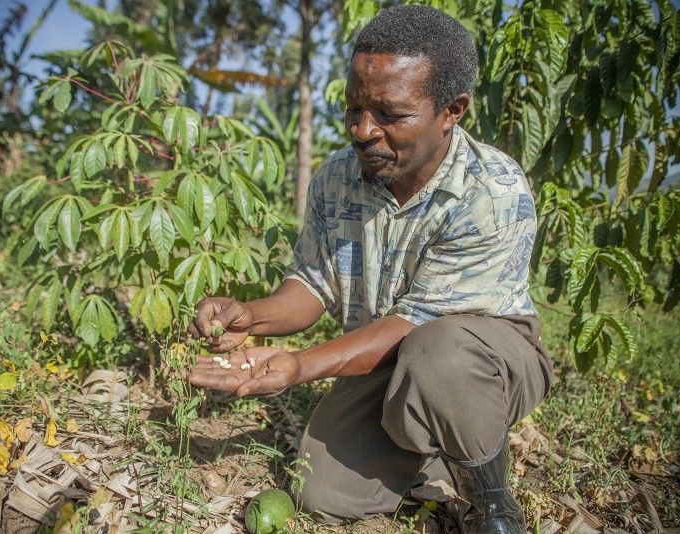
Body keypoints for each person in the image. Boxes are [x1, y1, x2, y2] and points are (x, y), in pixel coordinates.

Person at [187, 5, 553, 533]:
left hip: (483, 358)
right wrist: (252, 315)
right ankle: (436, 440)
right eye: (355, 107)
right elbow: (311, 285)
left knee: (440, 354)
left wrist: (301, 365)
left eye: (390, 114)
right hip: (383, 358)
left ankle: (492, 505)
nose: (363, 130)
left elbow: (415, 325)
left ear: (452, 110)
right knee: (323, 491)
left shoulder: (490, 190)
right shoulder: (337, 178)